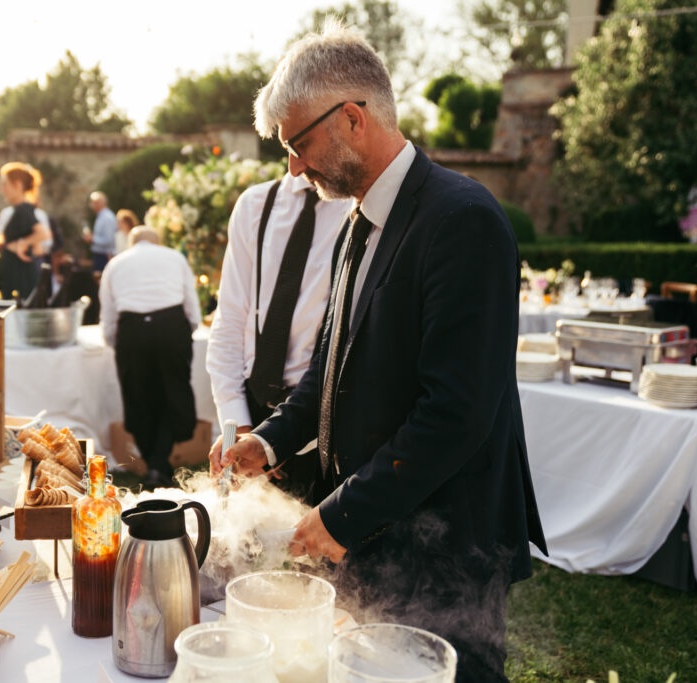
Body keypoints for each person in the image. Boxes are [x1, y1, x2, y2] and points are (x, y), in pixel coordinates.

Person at [209, 23, 546, 682]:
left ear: (354, 118)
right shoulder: (357, 225)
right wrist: (270, 441)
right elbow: (328, 371)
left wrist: (341, 511)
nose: (295, 167)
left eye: (298, 143)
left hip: (446, 541)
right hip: (377, 532)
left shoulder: (462, 218)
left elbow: (455, 412)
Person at [206, 171, 350, 499]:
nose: (296, 162)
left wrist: (280, 438)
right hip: (253, 410)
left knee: (314, 544)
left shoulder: (357, 208)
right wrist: (240, 425)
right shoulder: (255, 205)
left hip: (324, 422)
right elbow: (229, 320)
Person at [100, 226, 201, 488]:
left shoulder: (116, 264)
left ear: (132, 243)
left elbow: (108, 314)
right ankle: (159, 466)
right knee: (172, 393)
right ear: (158, 242)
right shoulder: (175, 258)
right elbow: (192, 305)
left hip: (132, 330)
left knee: (138, 398)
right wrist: (186, 331)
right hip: (171, 325)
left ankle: (156, 466)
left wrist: (116, 341)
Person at [0, 162, 52, 300]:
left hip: (21, 276)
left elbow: (44, 234)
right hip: (15, 273)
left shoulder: (23, 209)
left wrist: (22, 244)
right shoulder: (18, 209)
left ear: (17, 185)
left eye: (5, 184)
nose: (1, 189)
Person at [84, 191, 117, 272]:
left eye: (94, 202)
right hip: (100, 256)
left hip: (104, 257)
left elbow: (109, 240)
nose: (91, 205)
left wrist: (92, 239)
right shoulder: (101, 216)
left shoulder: (107, 217)